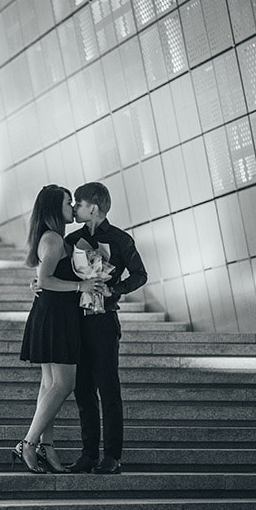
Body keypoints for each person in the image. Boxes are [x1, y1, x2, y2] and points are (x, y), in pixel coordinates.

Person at [15, 185, 101, 474]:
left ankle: (46, 447)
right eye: (68, 202)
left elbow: (42, 280)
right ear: (55, 208)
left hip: (56, 315)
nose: (73, 205)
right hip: (54, 318)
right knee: (64, 384)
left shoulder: (55, 238)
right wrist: (81, 286)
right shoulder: (52, 239)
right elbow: (47, 279)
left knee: (50, 385)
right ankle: (27, 443)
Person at [64, 182, 148, 475]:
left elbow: (141, 275)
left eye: (79, 203)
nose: (75, 208)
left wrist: (116, 290)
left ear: (94, 208)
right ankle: (88, 454)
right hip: (76, 321)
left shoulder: (120, 239)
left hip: (104, 320)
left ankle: (112, 456)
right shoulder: (72, 240)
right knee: (82, 388)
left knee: (108, 387)